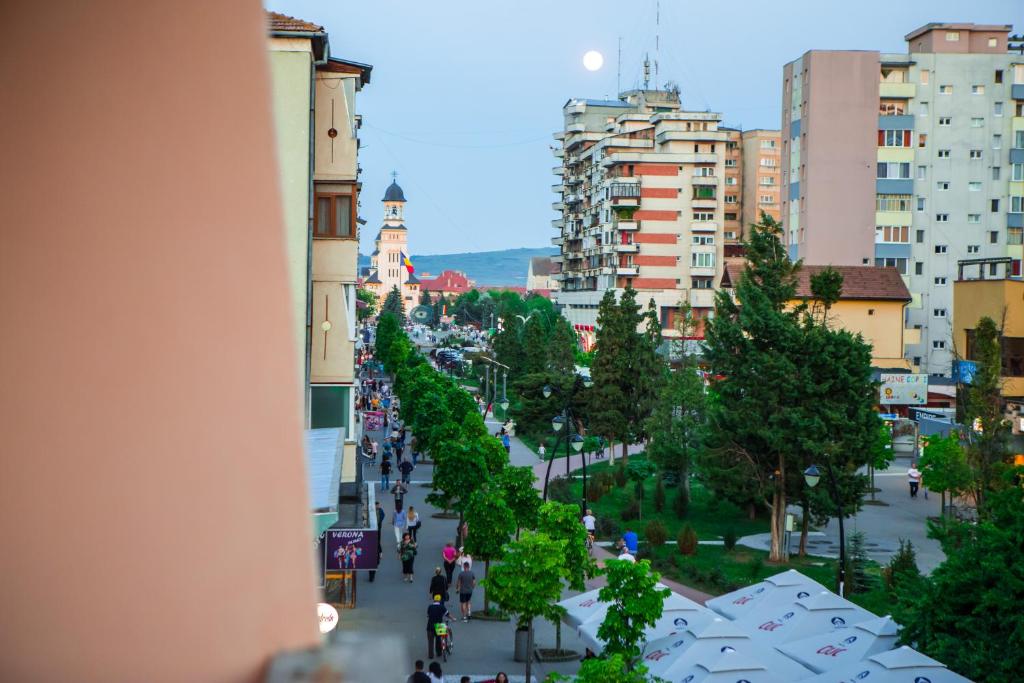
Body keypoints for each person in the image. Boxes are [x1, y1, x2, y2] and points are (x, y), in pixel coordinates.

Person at [426, 594, 449, 659]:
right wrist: (453, 618)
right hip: (439, 625)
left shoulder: (430, 606)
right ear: (439, 600)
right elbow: (447, 614)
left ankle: (431, 655)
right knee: (439, 639)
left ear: (434, 600)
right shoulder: (442, 606)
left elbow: (428, 615)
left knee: (430, 641)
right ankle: (439, 653)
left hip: (430, 626)